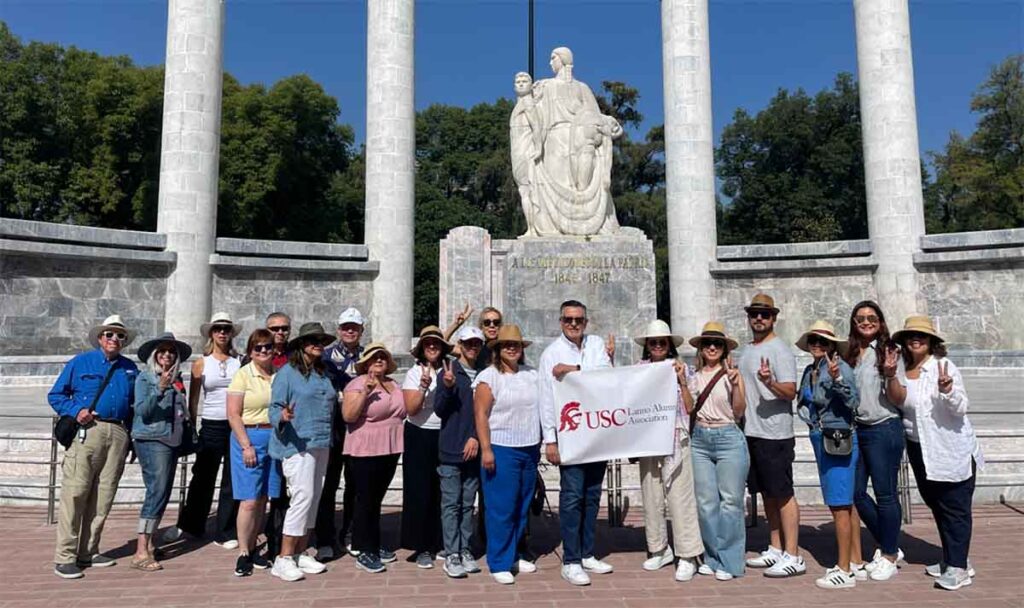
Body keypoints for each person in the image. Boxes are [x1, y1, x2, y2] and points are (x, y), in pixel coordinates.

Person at [893, 315, 983, 591]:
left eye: (921, 335)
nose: (915, 340)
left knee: (955, 506)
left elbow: (960, 408)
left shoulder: (944, 367)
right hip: (920, 449)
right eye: (910, 336)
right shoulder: (901, 370)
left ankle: (958, 567)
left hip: (949, 448)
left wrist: (948, 391)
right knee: (938, 505)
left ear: (931, 341)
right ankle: (954, 558)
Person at [49, 315, 139, 579]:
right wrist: (76, 411)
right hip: (88, 430)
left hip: (119, 431)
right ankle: (65, 556)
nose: (114, 339)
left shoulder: (129, 368)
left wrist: (131, 437)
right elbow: (56, 394)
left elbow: (133, 404)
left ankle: (88, 550)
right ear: (100, 338)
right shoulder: (81, 362)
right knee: (75, 493)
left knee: (104, 494)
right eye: (109, 334)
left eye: (119, 336)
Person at [538, 300, 616, 586]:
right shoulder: (550, 354)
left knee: (593, 494)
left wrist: (572, 368)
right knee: (572, 496)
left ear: (586, 321)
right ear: (561, 322)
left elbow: (604, 375)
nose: (573, 324)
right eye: (568, 319)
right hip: (569, 433)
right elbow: (546, 398)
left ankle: (586, 552)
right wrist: (550, 440)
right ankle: (571, 560)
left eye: (578, 320)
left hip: (596, 432)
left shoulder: (595, 344)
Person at [739, 294, 805, 578]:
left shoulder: (780, 350)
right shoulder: (746, 350)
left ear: (773, 318)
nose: (759, 319)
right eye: (754, 314)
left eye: (764, 314)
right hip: (752, 431)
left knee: (783, 493)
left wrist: (770, 382)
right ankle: (776, 547)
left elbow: (791, 392)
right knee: (767, 493)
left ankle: (794, 554)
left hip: (775, 433)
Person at [631, 320, 703, 582]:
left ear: (669, 344)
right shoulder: (639, 370)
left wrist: (683, 381)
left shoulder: (682, 369)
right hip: (649, 440)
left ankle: (688, 554)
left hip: (676, 438)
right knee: (651, 496)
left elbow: (690, 406)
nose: (658, 345)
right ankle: (659, 548)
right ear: (647, 346)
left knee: (680, 497)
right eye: (653, 342)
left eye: (662, 341)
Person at [267, 322, 337, 582]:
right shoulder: (287, 373)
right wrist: (283, 416)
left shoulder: (323, 373)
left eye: (320, 340)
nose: (318, 344)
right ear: (301, 346)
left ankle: (301, 551)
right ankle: (283, 557)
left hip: (321, 441)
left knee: (314, 497)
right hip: (297, 444)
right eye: (312, 340)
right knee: (302, 496)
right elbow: (273, 407)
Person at [165, 312, 242, 548]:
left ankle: (226, 530)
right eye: (218, 328)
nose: (222, 333)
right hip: (211, 424)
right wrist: (192, 426)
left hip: (234, 423)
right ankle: (191, 524)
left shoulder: (239, 361)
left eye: (226, 329)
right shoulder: (201, 363)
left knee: (232, 479)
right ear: (211, 333)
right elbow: (194, 398)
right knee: (202, 477)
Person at [794, 321, 861, 589]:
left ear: (833, 345)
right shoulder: (810, 370)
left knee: (839, 503)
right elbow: (803, 401)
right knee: (845, 502)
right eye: (814, 341)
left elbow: (854, 402)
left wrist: (837, 380)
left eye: (824, 341)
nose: (818, 345)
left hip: (837, 437)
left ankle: (843, 570)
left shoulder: (839, 368)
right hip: (821, 437)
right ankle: (855, 561)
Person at [474, 325, 542, 585]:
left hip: (529, 447)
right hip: (501, 447)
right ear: (498, 349)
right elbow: (480, 414)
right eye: (506, 345)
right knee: (500, 507)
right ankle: (498, 561)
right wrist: (487, 448)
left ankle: (513, 553)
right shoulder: (488, 377)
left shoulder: (532, 374)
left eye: (516, 344)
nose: (512, 348)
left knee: (521, 506)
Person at [845, 301, 907, 581]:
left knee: (885, 494)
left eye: (872, 317)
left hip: (884, 427)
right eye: (860, 318)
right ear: (853, 322)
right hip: (858, 430)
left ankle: (889, 554)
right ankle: (889, 541)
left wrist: (891, 373)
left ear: (881, 322)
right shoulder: (849, 354)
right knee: (856, 492)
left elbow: (898, 398)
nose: (866, 322)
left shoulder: (889, 351)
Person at [686, 322, 749, 581]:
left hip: (728, 438)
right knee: (706, 503)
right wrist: (681, 383)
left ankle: (731, 561)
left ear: (724, 349)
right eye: (707, 343)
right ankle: (712, 557)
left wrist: (735, 383)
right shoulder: (693, 375)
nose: (712, 347)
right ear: (701, 348)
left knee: (731, 502)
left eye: (717, 343)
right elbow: (689, 407)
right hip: (700, 439)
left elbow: (740, 411)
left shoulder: (733, 374)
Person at [342, 343, 407, 573]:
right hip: (365, 448)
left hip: (390, 447)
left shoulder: (393, 384)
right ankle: (364, 549)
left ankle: (373, 543)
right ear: (366, 362)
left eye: (383, 357)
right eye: (374, 357)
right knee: (366, 499)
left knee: (376, 498)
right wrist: (366, 392)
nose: (379, 360)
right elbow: (349, 416)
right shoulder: (357, 384)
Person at [130, 332, 192, 572]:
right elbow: (143, 411)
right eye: (163, 351)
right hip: (151, 439)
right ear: (154, 355)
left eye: (171, 351)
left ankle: (150, 543)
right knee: (156, 491)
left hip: (171, 441)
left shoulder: (177, 379)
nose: (167, 355)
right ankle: (140, 551)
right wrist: (160, 388)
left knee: (163, 491)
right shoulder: (145, 378)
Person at [226, 329, 282, 576]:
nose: (263, 351)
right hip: (248, 436)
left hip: (274, 437)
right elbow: (233, 414)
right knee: (249, 499)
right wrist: (246, 444)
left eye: (267, 347)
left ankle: (254, 546)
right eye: (258, 347)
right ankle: (244, 551)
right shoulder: (243, 375)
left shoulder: (278, 376)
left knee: (263, 497)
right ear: (250, 351)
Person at [434, 326, 485, 578]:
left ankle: (465, 548)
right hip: (451, 447)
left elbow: (487, 413)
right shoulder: (450, 371)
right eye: (468, 344)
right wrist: (447, 387)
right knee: (451, 504)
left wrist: (475, 437)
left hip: (474, 449)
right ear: (460, 345)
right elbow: (440, 410)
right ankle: (451, 552)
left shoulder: (486, 372)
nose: (472, 347)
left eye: (476, 343)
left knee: (467, 504)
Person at [314, 307, 364, 561]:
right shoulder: (324, 357)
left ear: (361, 330)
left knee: (355, 484)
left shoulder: (368, 356)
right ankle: (325, 537)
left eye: (354, 327)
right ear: (338, 330)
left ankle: (351, 532)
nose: (350, 331)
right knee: (329, 483)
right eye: (345, 327)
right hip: (332, 427)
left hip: (359, 429)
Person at [400, 326, 449, 567]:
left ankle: (440, 541)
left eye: (436, 343)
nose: (432, 347)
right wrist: (422, 386)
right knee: (419, 490)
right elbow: (411, 409)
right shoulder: (413, 372)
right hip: (419, 434)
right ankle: (421, 546)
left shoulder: (450, 369)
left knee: (443, 490)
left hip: (445, 433)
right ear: (421, 348)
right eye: (428, 343)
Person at [262, 311, 292, 560]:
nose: (280, 332)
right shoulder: (258, 355)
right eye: (275, 328)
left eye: (284, 328)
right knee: (261, 491)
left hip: (288, 433)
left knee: (283, 491)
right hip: (262, 431)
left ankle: (278, 541)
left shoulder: (295, 358)